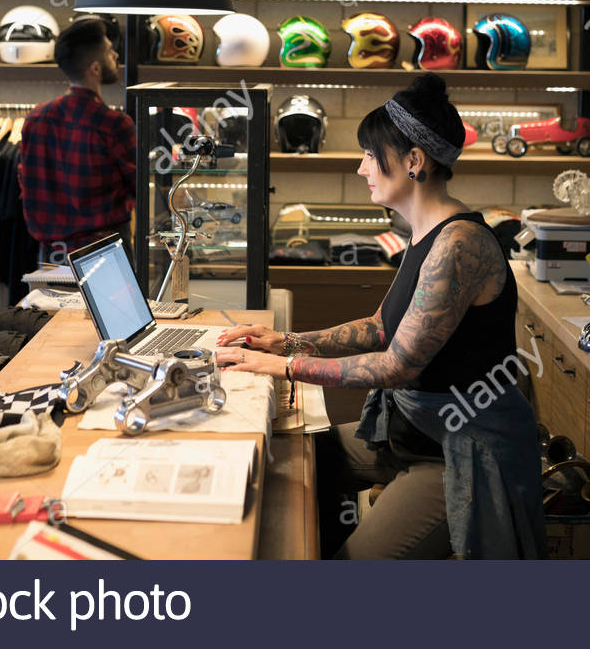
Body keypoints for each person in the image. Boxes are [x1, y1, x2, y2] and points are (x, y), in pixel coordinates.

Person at [216, 73, 545, 559]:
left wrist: (284, 367)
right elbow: (380, 328)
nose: (360, 168)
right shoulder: (424, 231)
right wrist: (283, 342)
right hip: (415, 432)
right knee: (293, 462)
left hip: (458, 453)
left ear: (414, 161)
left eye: (371, 155)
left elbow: (396, 365)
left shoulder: (458, 245)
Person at [18, 19, 135, 262]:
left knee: (53, 301)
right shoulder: (113, 123)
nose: (115, 54)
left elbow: (27, 185)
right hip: (106, 253)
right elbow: (139, 186)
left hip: (52, 255)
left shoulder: (36, 118)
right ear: (95, 68)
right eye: (108, 49)